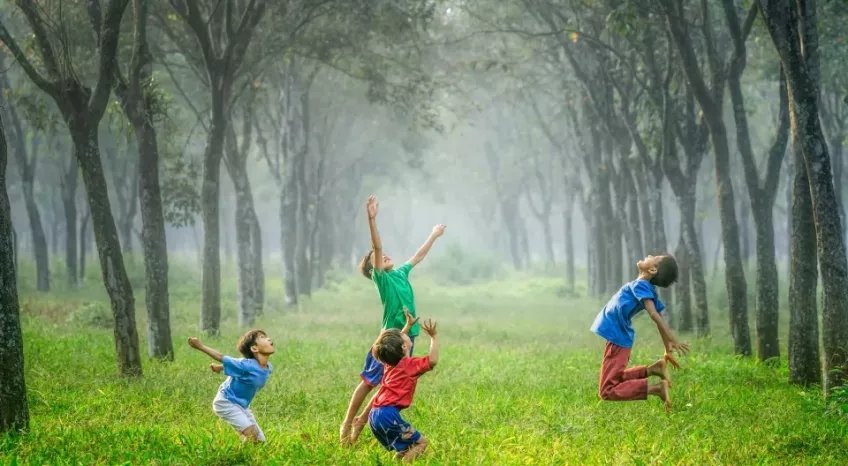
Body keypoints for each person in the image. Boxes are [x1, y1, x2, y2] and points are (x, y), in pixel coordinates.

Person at [340, 195, 446, 445]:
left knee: (391, 381)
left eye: (385, 255)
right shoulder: (382, 279)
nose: (384, 255)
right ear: (372, 269)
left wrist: (433, 235)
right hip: (389, 339)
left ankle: (362, 420)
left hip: (408, 336)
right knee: (369, 382)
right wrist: (371, 219)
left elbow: (418, 256)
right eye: (378, 258)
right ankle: (348, 422)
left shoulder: (399, 273)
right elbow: (377, 247)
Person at [590, 254, 689, 411]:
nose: (649, 255)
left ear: (652, 269)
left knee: (607, 390)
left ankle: (656, 389)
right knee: (615, 379)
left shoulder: (641, 285)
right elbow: (659, 317)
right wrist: (667, 349)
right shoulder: (645, 287)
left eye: (654, 257)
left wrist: (672, 339)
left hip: (617, 338)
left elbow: (655, 315)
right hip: (617, 337)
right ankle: (652, 370)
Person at [369, 318, 439, 462]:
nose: (405, 334)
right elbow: (432, 360)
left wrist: (407, 326)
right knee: (422, 443)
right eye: (403, 335)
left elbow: (394, 346)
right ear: (403, 347)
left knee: (406, 448)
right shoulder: (409, 365)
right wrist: (434, 337)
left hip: (374, 414)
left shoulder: (390, 363)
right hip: (387, 415)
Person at [188, 330, 275, 443]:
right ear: (254, 348)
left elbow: (238, 366)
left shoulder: (268, 367)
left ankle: (244, 452)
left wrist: (220, 367)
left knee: (259, 441)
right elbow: (221, 357)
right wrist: (200, 346)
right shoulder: (246, 365)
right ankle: (238, 457)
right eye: (263, 337)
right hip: (226, 402)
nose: (268, 339)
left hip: (242, 406)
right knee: (251, 433)